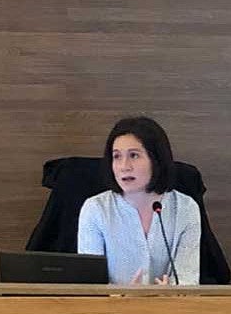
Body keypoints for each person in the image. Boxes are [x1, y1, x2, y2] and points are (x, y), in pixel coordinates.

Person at [78, 117, 200, 285]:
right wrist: (120, 298)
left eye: (134, 155)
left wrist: (171, 294)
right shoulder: (95, 209)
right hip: (110, 308)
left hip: (168, 308)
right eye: (117, 156)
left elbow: (188, 279)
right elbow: (89, 285)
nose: (124, 166)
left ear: (156, 159)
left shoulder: (186, 208)